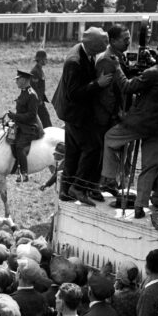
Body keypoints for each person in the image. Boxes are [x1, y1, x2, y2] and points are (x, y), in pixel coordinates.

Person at [100, 39, 158, 219]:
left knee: (110, 139)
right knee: (150, 168)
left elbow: (127, 87)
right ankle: (140, 206)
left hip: (140, 123)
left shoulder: (153, 72)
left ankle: (109, 177)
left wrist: (118, 67)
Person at [55, 27, 111, 206]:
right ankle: (78, 187)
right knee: (93, 147)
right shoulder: (75, 62)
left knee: (73, 150)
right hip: (74, 111)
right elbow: (74, 93)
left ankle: (65, 190)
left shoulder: (81, 50)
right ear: (93, 48)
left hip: (70, 111)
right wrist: (98, 84)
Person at [9, 70, 43, 182]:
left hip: (29, 128)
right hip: (20, 125)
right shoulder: (24, 92)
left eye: (17, 79)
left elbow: (32, 115)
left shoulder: (32, 95)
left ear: (24, 80)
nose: (16, 82)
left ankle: (24, 173)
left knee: (19, 146)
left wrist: (15, 117)